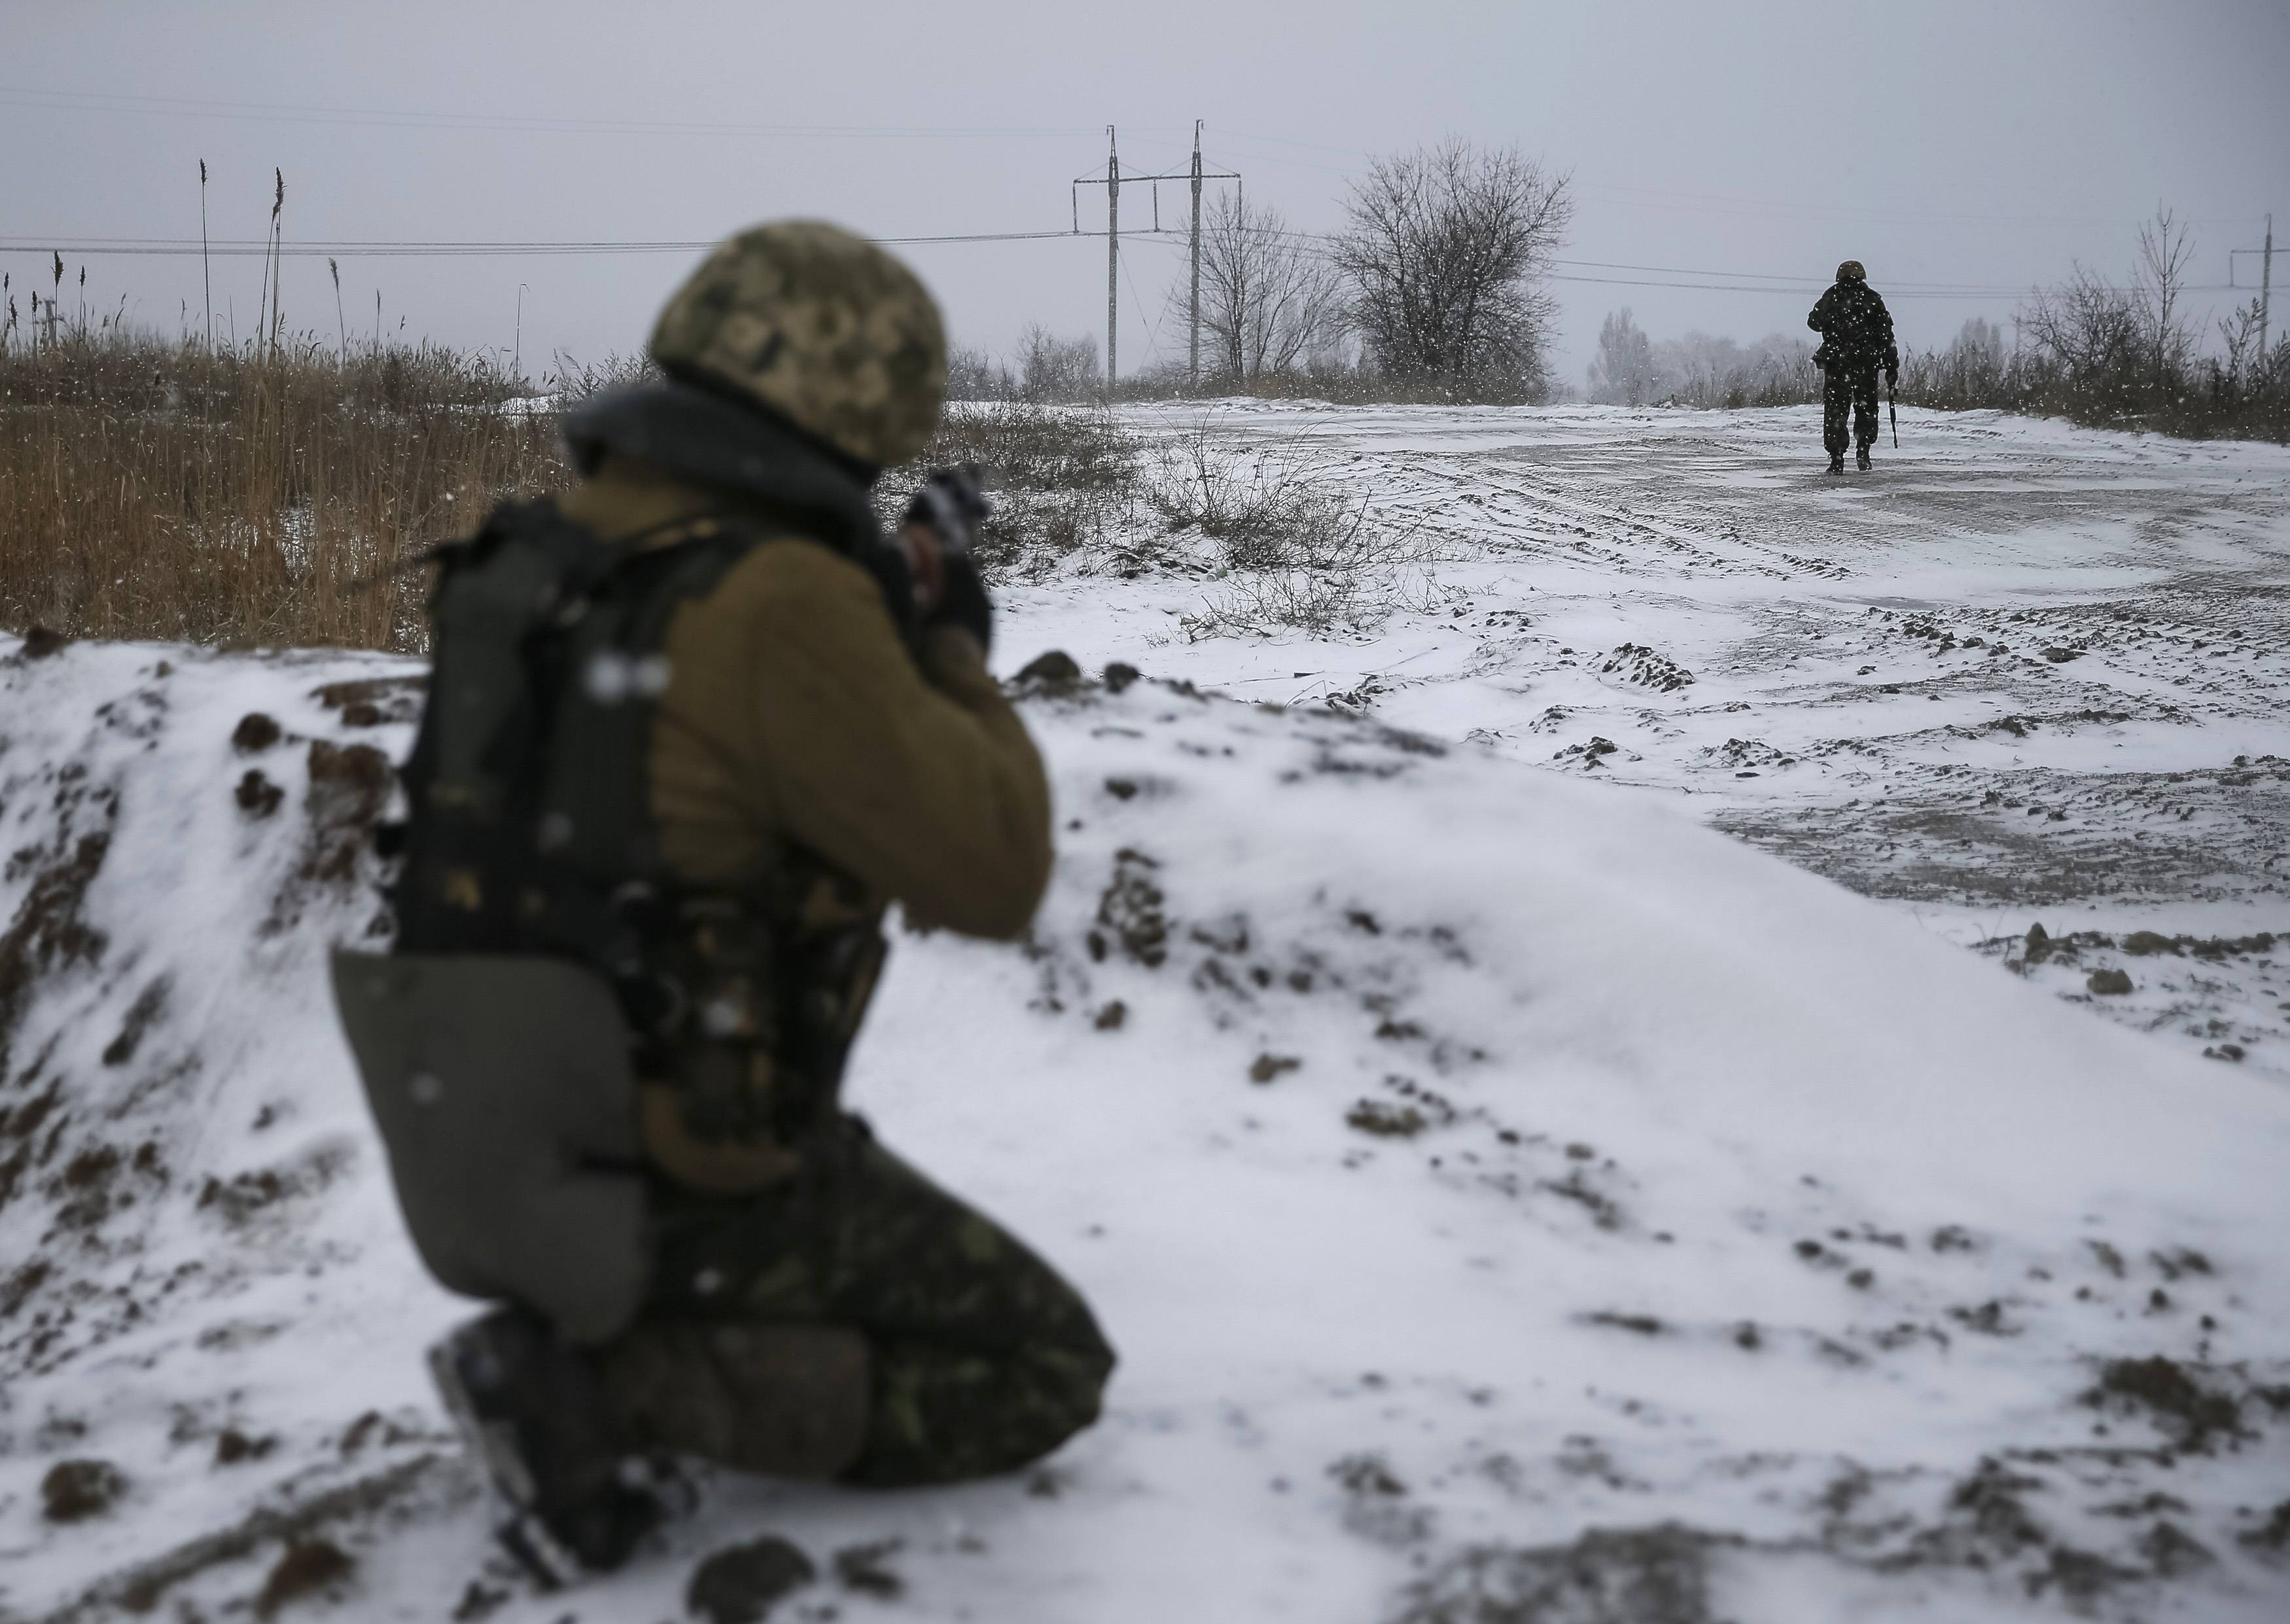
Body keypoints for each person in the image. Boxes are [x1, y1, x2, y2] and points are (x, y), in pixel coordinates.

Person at [332, 221, 1114, 1581]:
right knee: (1043, 1358)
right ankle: (602, 1392)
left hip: (480, 1139)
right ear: (863, 404)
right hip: (679, 1173)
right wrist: (947, 645)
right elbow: (993, 872)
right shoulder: (780, 598)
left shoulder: (537, 555)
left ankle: (608, 1327)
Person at [1806, 260, 1898, 473]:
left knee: (1835, 410)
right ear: (1862, 276)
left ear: (1839, 276)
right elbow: (1887, 335)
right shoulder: (1873, 299)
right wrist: (1892, 365)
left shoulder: (1831, 297)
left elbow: (1813, 323)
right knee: (1866, 407)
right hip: (1866, 363)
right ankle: (1863, 452)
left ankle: (1837, 457)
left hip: (1837, 363)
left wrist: (1833, 320)